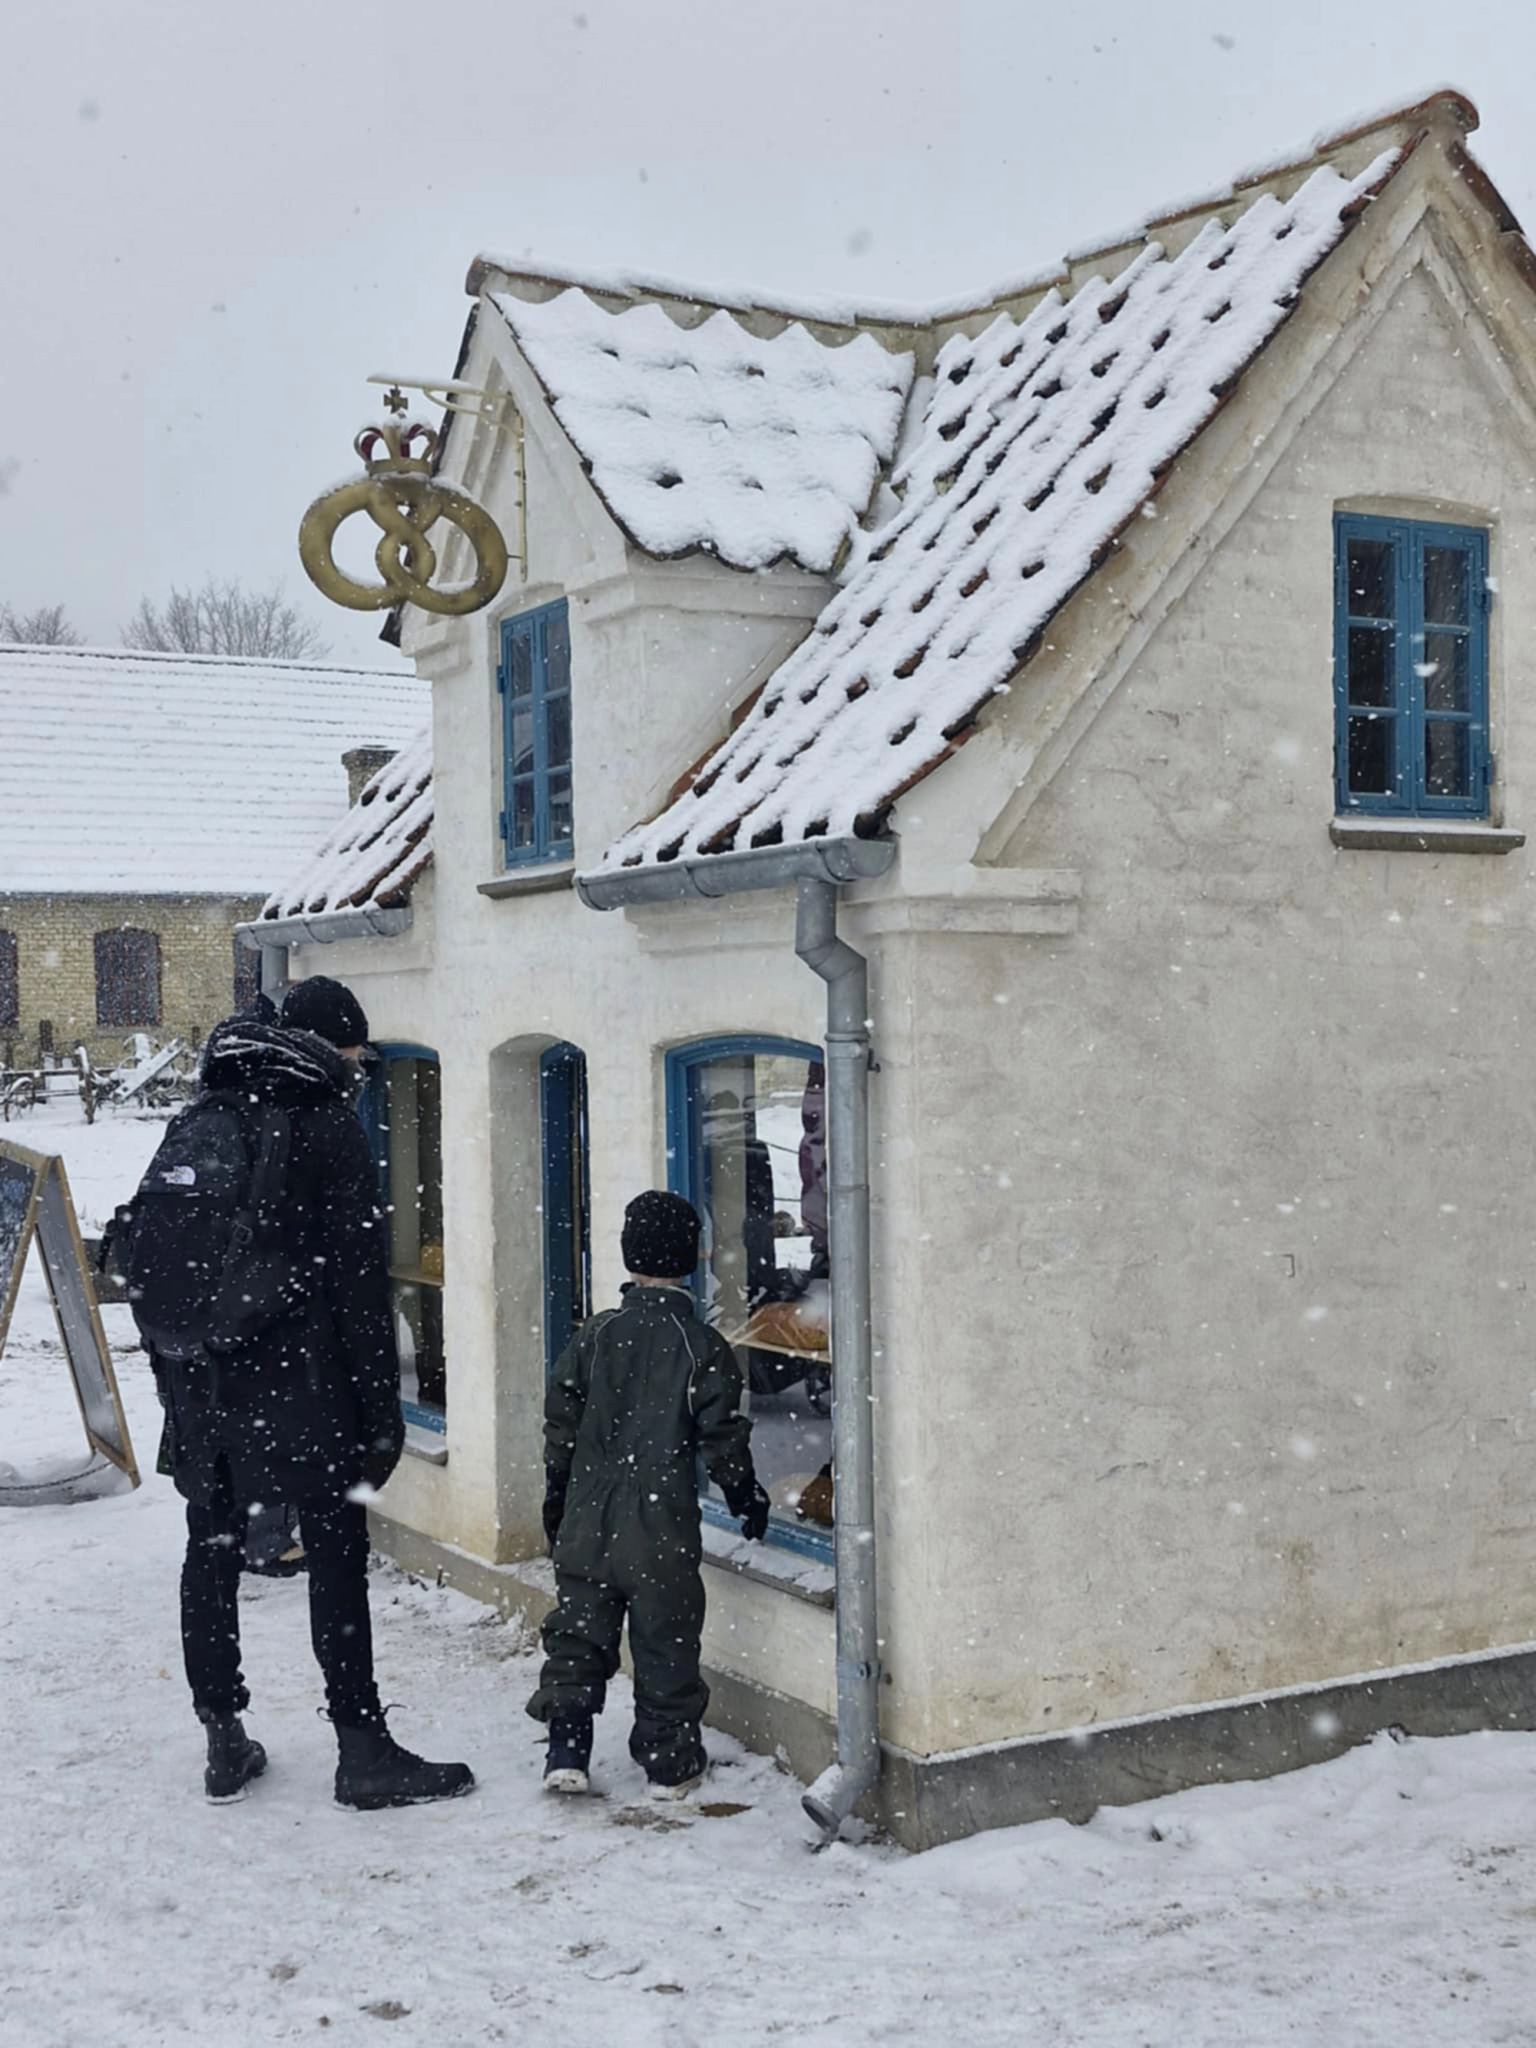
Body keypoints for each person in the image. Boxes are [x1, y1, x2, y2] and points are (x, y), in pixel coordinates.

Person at [138, 976, 474, 1808]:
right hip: (300, 1386)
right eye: (357, 1050)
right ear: (336, 1047)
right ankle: (361, 1751)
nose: (361, 1064)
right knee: (335, 1554)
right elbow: (359, 1288)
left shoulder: (204, 1115)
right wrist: (381, 1414)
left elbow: (161, 1267)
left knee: (209, 1552)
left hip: (203, 1382)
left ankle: (222, 1736)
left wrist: (181, 1388)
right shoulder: (326, 1127)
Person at [527, 1190, 771, 1799]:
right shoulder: (700, 1345)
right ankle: (669, 1763)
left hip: (589, 1511)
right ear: (692, 1258)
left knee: (579, 1629)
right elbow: (722, 1438)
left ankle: (568, 1748)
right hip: (660, 1521)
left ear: (627, 1255)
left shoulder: (595, 1336)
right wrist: (745, 1497)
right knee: (666, 1639)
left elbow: (560, 1425)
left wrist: (558, 1500)